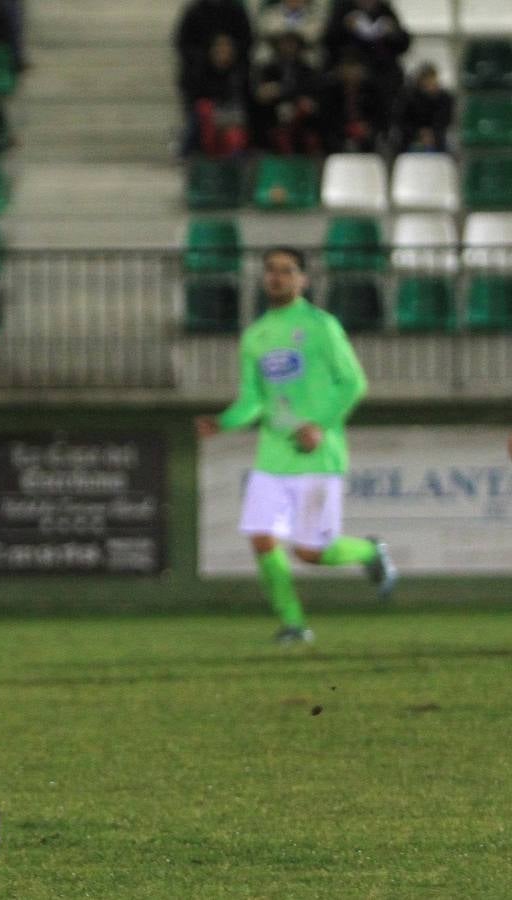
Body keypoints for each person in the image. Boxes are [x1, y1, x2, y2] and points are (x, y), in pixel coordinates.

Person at [194, 248, 397, 646]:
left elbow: (354, 383)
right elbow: (253, 398)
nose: (276, 277)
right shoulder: (256, 336)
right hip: (273, 454)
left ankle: (370, 552)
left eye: (286, 271)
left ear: (303, 280)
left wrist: (319, 425)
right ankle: (293, 623)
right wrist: (225, 421)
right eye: (270, 270)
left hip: (317, 456)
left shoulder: (321, 326)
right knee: (261, 535)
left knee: (311, 553)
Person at [392, 62, 453, 153]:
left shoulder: (444, 98)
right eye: (427, 79)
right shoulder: (408, 97)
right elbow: (401, 121)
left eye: (432, 79)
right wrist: (419, 134)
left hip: (436, 139)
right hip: (410, 139)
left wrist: (432, 134)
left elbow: (444, 121)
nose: (430, 83)